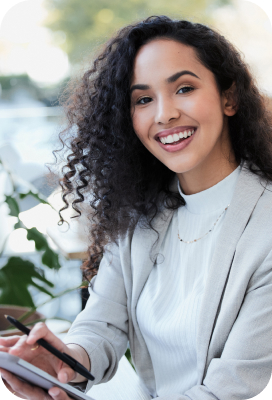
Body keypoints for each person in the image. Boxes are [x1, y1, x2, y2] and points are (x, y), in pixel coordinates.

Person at [1, 15, 272, 400]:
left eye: (184, 88)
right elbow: (102, 325)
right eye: (143, 99)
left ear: (229, 97)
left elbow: (228, 387)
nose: (164, 114)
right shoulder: (139, 214)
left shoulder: (266, 229)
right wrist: (66, 362)